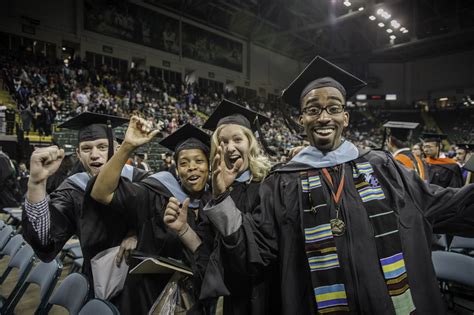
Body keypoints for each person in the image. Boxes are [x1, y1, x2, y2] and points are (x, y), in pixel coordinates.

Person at [211, 56, 474, 314]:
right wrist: (222, 199)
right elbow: (257, 250)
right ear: (302, 120)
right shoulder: (281, 183)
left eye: (333, 108)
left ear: (345, 118)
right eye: (313, 110)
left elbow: (444, 204)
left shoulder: (382, 167)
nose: (324, 117)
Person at [90, 120, 212, 314]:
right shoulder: (157, 192)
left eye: (199, 161)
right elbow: (101, 193)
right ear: (177, 170)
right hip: (148, 293)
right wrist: (127, 148)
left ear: (208, 166)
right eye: (184, 163)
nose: (191, 167)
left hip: (194, 298)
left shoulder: (212, 200)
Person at [21, 112, 149, 288]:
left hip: (143, 283)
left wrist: (136, 233)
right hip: (100, 282)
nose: (94, 155)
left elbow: (162, 225)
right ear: (78, 154)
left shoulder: (141, 180)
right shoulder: (73, 189)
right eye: (87, 149)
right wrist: (36, 183)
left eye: (102, 147)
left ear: (118, 149)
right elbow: (44, 240)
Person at [197, 99, 273, 314]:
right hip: (229, 296)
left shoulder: (268, 185)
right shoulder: (211, 194)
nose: (230, 147)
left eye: (237, 139)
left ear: (250, 143)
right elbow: (206, 247)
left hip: (265, 290)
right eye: (222, 141)